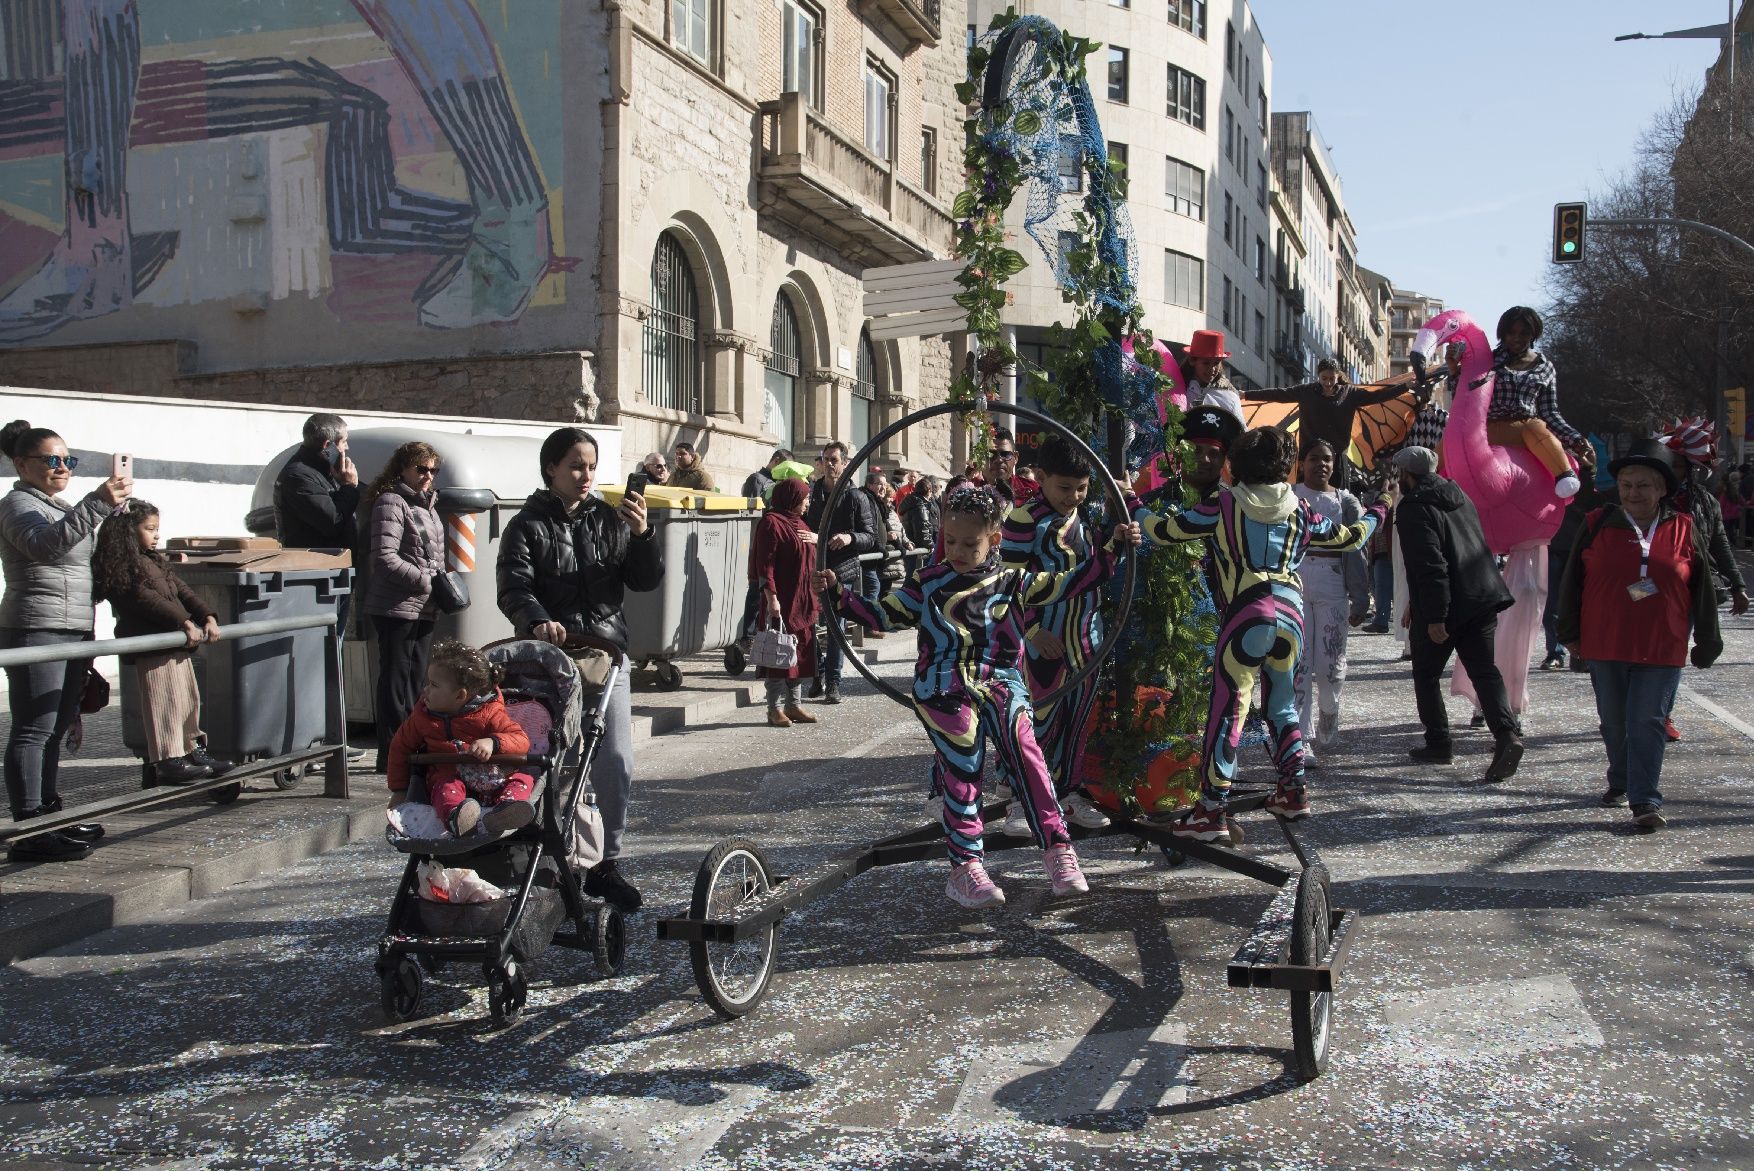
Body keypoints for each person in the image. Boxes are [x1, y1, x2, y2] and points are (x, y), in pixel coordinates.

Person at [817, 486, 1139, 907]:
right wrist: (839, 596)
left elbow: (1073, 581)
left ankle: (1058, 849)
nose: (957, 551)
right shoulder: (928, 581)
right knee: (963, 755)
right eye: (949, 541)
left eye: (969, 543)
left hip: (1000, 681)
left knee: (1027, 751)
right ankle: (966, 867)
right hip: (943, 684)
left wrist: (1115, 545)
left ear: (994, 541)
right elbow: (883, 613)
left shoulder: (1012, 581)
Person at [1130, 426, 1383, 841]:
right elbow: (1351, 537)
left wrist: (1130, 500)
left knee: (1229, 709)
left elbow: (1162, 531)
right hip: (1292, 615)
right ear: (1287, 467)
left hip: (1247, 612)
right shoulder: (1302, 508)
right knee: (1283, 705)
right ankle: (1293, 790)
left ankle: (1210, 810)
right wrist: (1382, 508)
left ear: (1237, 464)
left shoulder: (1224, 504)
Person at [497, 427, 662, 910]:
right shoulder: (527, 526)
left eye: (590, 465)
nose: (585, 474)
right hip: (551, 664)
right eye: (575, 465)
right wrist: (537, 619)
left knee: (614, 762)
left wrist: (642, 535)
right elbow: (513, 587)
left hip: (607, 658)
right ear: (551, 469)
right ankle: (559, 861)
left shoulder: (610, 519)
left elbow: (645, 581)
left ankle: (607, 863)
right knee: (558, 766)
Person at [1556, 439, 1721, 831]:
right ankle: (1622, 778)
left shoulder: (1683, 528)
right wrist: (1569, 632)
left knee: (1647, 720)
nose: (1633, 492)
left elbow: (1702, 588)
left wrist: (1708, 640)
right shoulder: (1597, 523)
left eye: (1643, 485)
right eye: (1627, 484)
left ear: (1662, 489)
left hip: (1662, 642)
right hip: (1605, 640)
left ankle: (1645, 800)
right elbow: (1572, 582)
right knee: (1614, 722)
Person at [0, 419, 130, 861]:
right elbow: (45, 548)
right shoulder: (17, 504)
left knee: (53, 729)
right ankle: (30, 829)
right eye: (50, 460)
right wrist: (96, 504)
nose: (61, 468)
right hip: (35, 626)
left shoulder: (56, 504)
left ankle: (49, 816)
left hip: (69, 627)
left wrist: (113, 517)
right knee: (33, 729)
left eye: (67, 460)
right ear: (21, 463)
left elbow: (76, 553)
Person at [998, 436, 1115, 836]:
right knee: (1036, 719)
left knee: (1079, 718)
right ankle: (1019, 796)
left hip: (1087, 634)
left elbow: (1103, 563)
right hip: (1043, 637)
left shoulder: (1090, 516)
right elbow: (1008, 581)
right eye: (1065, 487)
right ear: (1042, 478)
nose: (1074, 496)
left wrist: (1120, 541)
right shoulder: (1023, 518)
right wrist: (1030, 629)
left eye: (1081, 488)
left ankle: (1069, 791)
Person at [1391, 446, 1523, 780]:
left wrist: (1435, 616)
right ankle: (1507, 736)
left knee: (1426, 674)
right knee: (1484, 672)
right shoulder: (1459, 494)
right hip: (1480, 596)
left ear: (1406, 475)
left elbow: (1431, 563)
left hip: (1446, 603)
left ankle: (1438, 743)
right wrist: (1416, 604)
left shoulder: (1413, 507)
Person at [92, 501, 235, 785]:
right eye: (150, 529)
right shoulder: (121, 565)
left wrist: (206, 615)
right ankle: (169, 758)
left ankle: (193, 749)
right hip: (155, 645)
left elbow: (181, 590)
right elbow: (145, 599)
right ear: (127, 531)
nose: (156, 535)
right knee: (165, 702)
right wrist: (183, 622)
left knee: (187, 700)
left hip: (176, 643)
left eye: (157, 528)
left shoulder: (153, 559)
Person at [1653, 418, 1746, 743]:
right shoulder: (1645, 500)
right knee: (1640, 652)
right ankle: (1632, 709)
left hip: (1690, 592)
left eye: (1678, 465)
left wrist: (1738, 586)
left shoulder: (1704, 501)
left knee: (1673, 653)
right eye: (1669, 464)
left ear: (1690, 468)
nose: (1672, 471)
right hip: (1645, 590)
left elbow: (1720, 544)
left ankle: (1661, 714)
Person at [385, 640, 536, 838]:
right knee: (444, 788)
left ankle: (505, 810)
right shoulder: (422, 718)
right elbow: (400, 747)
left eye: (433, 685)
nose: (425, 690)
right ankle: (457, 817)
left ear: (460, 695)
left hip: (494, 776)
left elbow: (520, 739)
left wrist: (493, 742)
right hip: (451, 775)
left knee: (523, 779)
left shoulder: (490, 713)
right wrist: (399, 789)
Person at [362, 442, 446, 774]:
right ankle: (392, 754)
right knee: (396, 683)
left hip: (423, 606)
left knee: (416, 683)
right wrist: (426, 581)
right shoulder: (391, 502)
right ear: (402, 469)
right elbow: (384, 558)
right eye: (421, 469)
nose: (427, 476)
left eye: (432, 470)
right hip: (395, 607)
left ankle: (410, 748)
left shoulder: (427, 504)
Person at [1450, 306, 1592, 500]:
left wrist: (1575, 439)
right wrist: (1454, 371)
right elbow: (1466, 394)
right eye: (1511, 332)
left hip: (1527, 432)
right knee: (1449, 444)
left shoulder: (1545, 368)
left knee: (1537, 428)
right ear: (1503, 333)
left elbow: (1550, 412)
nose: (1517, 338)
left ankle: (1564, 476)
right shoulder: (1486, 360)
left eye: (1524, 333)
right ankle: (1424, 478)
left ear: (1533, 335)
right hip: (1487, 431)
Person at [1290, 438, 1371, 763]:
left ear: (1334, 465)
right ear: (1302, 462)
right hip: (1295, 584)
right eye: (1313, 458)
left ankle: (1329, 709)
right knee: (1299, 664)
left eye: (1326, 459)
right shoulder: (1289, 496)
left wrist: (1360, 597)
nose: (1320, 464)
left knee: (1330, 663)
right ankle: (1301, 738)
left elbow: (1357, 548)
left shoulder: (1345, 501)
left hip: (1332, 583)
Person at [1241, 358, 1410, 491]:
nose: (1328, 383)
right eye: (1324, 378)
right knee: (1305, 497)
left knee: (1337, 497)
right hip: (1309, 456)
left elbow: (1378, 396)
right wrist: (1246, 395)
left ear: (1338, 377)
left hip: (1337, 458)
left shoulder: (1349, 393)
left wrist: (1405, 387)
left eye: (1332, 378)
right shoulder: (1306, 391)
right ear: (1318, 376)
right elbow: (1279, 394)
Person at [805, 440, 881, 703]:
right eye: (825, 459)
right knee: (807, 625)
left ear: (845, 464)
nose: (829, 464)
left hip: (841, 569)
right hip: (813, 565)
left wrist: (850, 538)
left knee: (837, 627)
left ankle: (833, 683)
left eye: (834, 460)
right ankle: (816, 674)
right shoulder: (812, 492)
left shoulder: (856, 496)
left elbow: (870, 537)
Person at [749, 477, 820, 727]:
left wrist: (816, 539)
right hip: (782, 600)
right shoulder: (771, 522)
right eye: (804, 498)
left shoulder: (799, 522)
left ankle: (794, 705)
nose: (807, 502)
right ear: (791, 498)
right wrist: (772, 598)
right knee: (778, 653)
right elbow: (764, 565)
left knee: (798, 653)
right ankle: (774, 708)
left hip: (802, 599)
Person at [273, 413, 360, 551]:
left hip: (335, 566)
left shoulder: (325, 470)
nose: (347, 447)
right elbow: (333, 522)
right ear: (327, 446)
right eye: (344, 442)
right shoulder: (298, 476)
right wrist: (349, 486)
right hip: (318, 569)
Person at [970, 429, 1039, 505]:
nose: (999, 460)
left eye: (1005, 454)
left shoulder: (1034, 491)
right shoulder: (968, 491)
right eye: (991, 454)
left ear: (1015, 458)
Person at [901, 475, 942, 556]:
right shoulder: (920, 505)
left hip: (911, 543)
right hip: (917, 546)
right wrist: (930, 544)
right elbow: (922, 527)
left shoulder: (912, 500)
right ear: (929, 490)